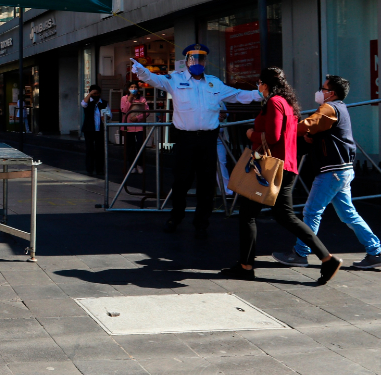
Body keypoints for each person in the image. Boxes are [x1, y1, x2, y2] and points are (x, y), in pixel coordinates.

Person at [220, 67, 342, 284]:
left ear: (265, 84)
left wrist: (251, 134)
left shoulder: (275, 102)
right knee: (281, 216)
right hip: (284, 167)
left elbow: (273, 136)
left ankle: (246, 266)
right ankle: (326, 258)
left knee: (250, 215)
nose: (259, 87)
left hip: (272, 168)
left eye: (259, 83)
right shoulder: (286, 104)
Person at [132, 44, 262, 240]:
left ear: (205, 62)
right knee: (181, 181)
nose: (197, 63)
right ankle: (175, 218)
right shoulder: (175, 80)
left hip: (208, 140)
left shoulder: (214, 83)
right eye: (193, 59)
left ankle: (202, 223)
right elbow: (155, 80)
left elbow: (236, 95)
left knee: (207, 183)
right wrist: (141, 71)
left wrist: (260, 93)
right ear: (186, 61)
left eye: (201, 59)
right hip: (185, 139)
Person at [273, 75, 381, 269]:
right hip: (342, 170)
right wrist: (313, 138)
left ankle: (300, 253)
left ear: (331, 93)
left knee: (312, 211)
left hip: (332, 171)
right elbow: (322, 131)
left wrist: (287, 130)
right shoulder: (340, 108)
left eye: (323, 89)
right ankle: (376, 251)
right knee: (349, 215)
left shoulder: (330, 108)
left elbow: (310, 123)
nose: (320, 92)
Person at [81, 85, 111, 176]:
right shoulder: (88, 102)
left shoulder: (104, 103)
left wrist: (106, 118)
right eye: (94, 93)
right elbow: (83, 104)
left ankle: (99, 169)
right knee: (89, 149)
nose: (96, 95)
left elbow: (109, 115)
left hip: (100, 129)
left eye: (97, 93)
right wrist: (90, 94)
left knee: (100, 150)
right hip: (89, 129)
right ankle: (89, 168)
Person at [120, 82, 148, 174]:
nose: (133, 88)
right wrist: (129, 100)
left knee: (140, 144)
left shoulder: (142, 99)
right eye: (131, 87)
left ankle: (140, 164)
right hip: (128, 126)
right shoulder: (124, 98)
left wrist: (138, 117)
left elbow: (147, 112)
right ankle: (132, 165)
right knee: (130, 146)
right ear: (128, 88)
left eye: (135, 87)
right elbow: (124, 110)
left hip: (139, 126)